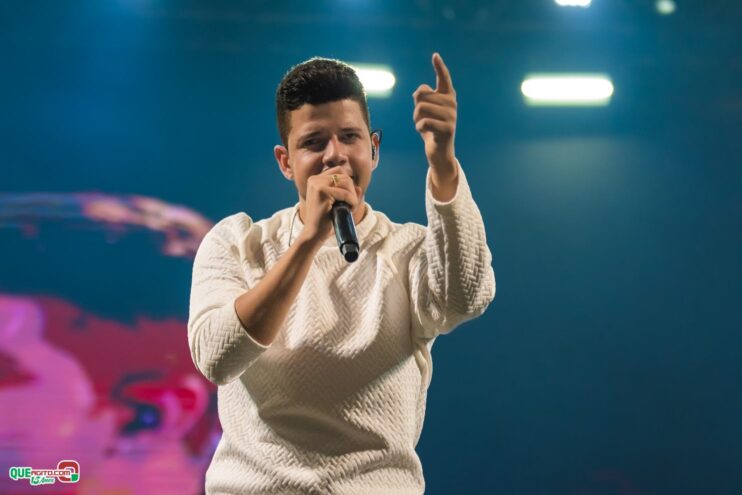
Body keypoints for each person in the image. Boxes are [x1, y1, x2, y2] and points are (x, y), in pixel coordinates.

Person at [187, 52, 496, 494]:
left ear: (374, 148)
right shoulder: (237, 243)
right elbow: (217, 357)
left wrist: (443, 162)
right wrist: (308, 242)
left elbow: (467, 297)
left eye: (350, 137)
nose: (335, 155)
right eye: (313, 142)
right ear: (285, 162)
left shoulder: (407, 250)